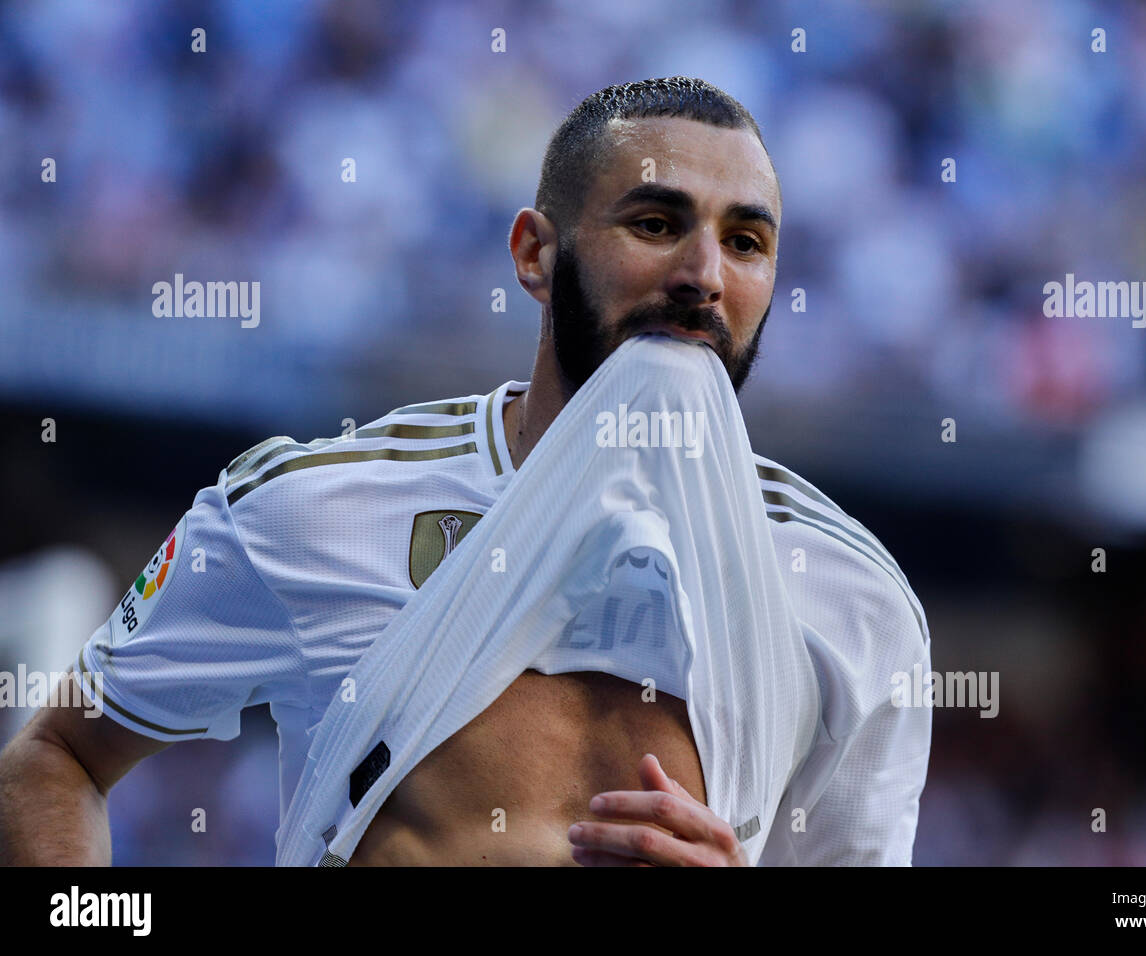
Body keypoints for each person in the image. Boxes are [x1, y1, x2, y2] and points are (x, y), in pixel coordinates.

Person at [0, 77, 931, 866]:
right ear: (535, 253)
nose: (704, 275)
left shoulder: (853, 601)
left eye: (745, 242)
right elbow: (56, 758)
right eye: (656, 222)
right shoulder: (314, 509)